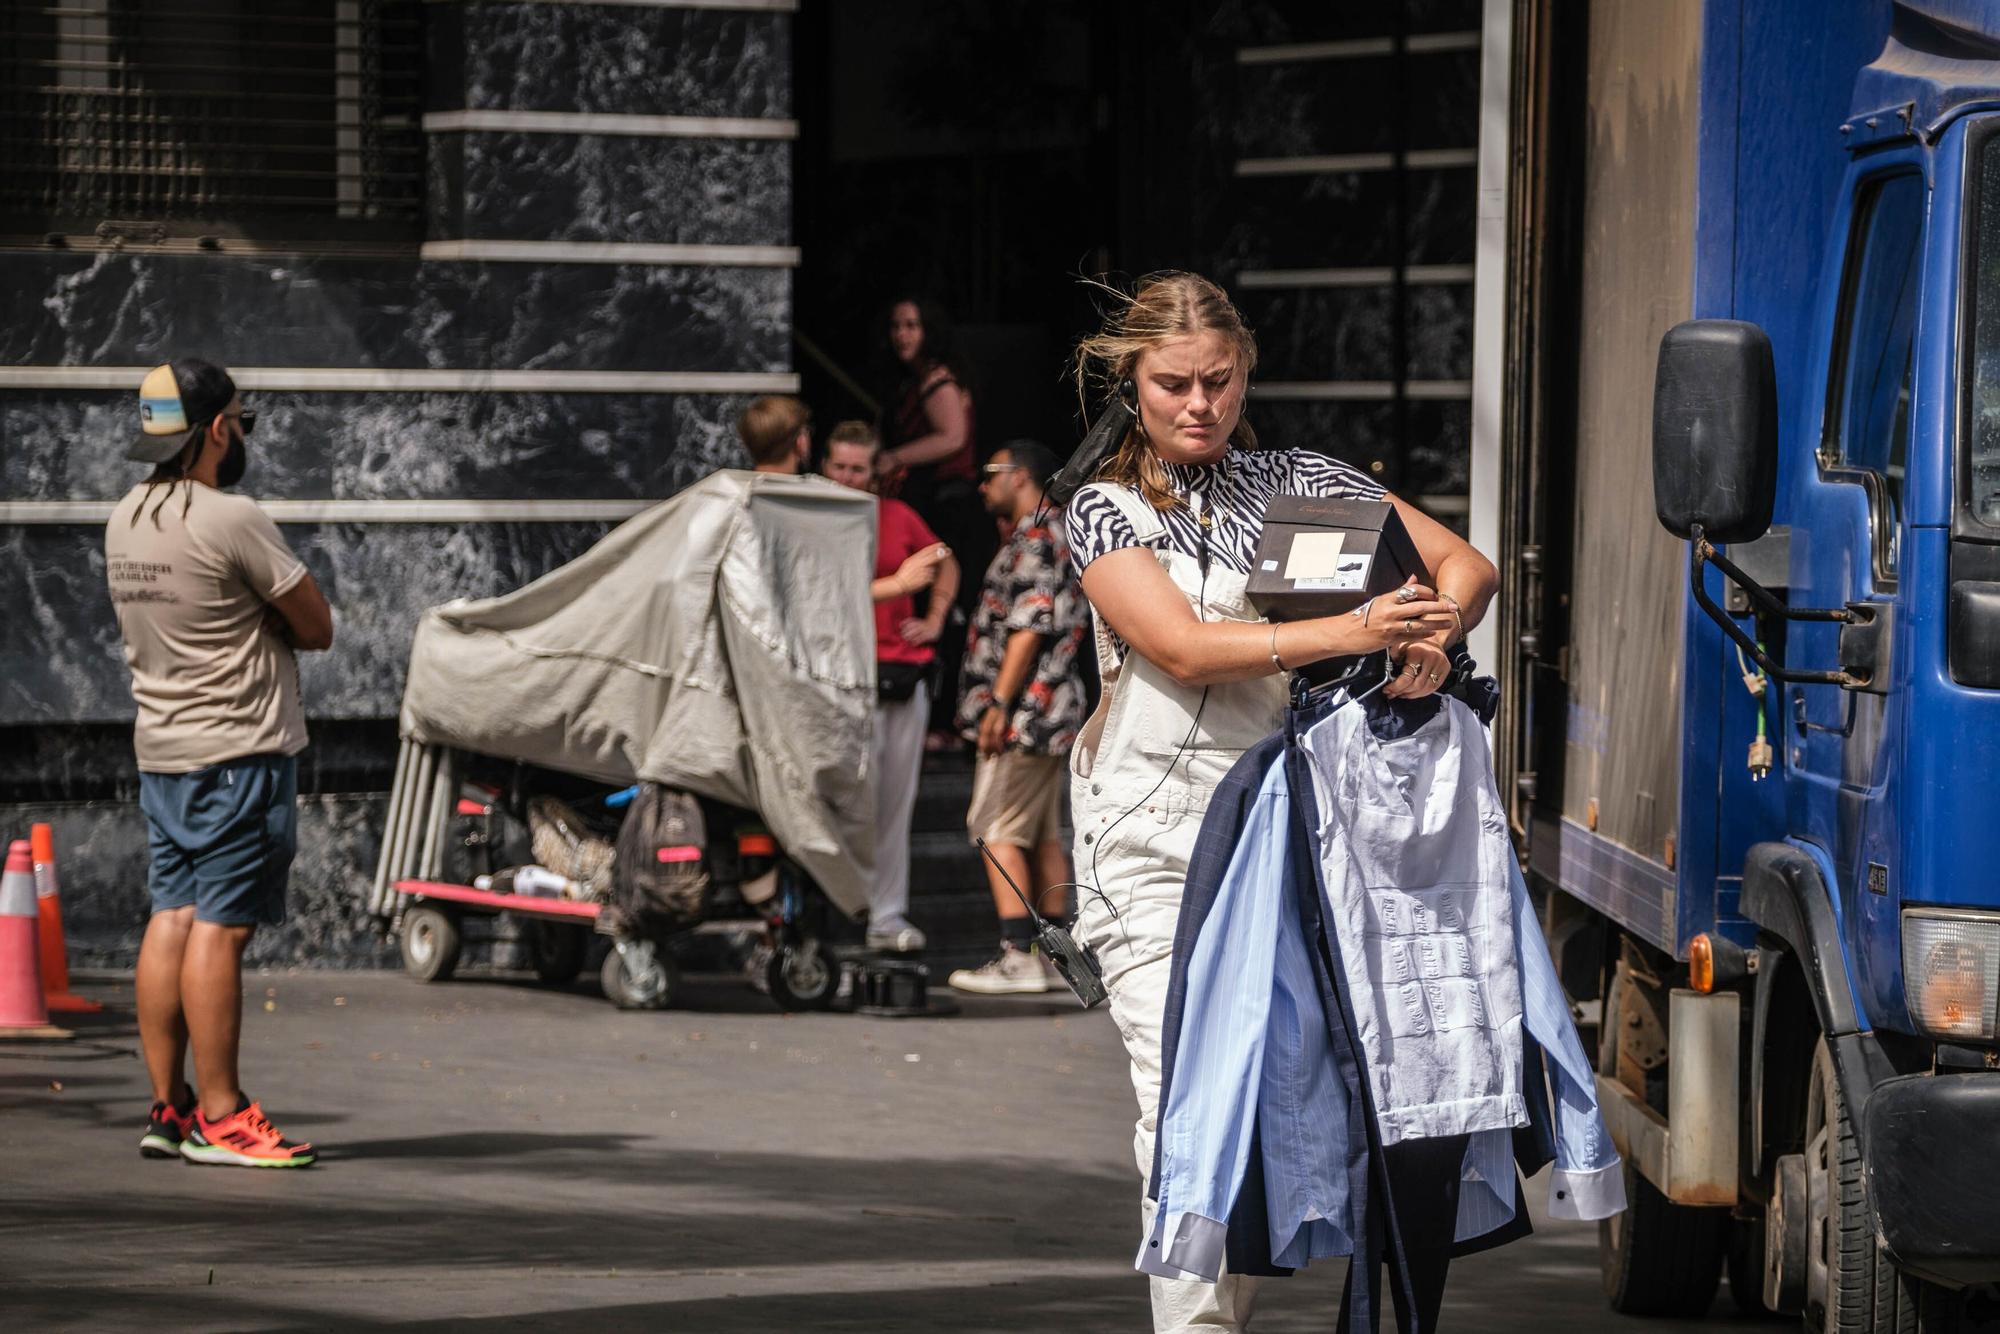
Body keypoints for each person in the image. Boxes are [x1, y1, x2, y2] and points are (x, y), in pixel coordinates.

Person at [1062, 273, 1498, 1332]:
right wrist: (1354, 634)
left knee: (1254, 1094)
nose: (1197, 403)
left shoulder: (1297, 480)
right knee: (1184, 1102)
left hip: (1287, 838)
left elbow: (1463, 564)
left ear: (1244, 372)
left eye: (1217, 380)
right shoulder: (1101, 505)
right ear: (1131, 382)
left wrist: (1433, 638)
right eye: (1171, 384)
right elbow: (1180, 647)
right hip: (1151, 843)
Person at [110, 360, 334, 1169]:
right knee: (221, 927)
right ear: (215, 430)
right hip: (239, 753)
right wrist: (266, 624)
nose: (244, 434)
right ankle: (221, 1113)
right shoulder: (232, 516)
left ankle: (167, 1107)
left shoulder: (125, 517)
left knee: (171, 916)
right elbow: (316, 626)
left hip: (162, 752)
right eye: (243, 420)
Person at [946, 440, 1089, 994]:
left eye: (992, 473)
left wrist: (998, 704)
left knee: (993, 829)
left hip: (1025, 714)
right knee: (1042, 836)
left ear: (1021, 476)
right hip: (1051, 710)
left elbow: (1029, 626)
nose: (983, 485)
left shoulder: (1034, 538)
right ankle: (1063, 959)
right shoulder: (1058, 535)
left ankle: (1017, 956)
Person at [822, 420, 959, 952]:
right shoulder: (812, 517)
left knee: (894, 806)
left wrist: (934, 619)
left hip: (898, 676)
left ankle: (886, 916)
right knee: (839, 805)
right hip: (835, 680)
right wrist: (896, 588)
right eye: (840, 467)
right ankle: (838, 912)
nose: (849, 477)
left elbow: (946, 560)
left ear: (875, 473)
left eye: (859, 468)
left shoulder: (896, 516)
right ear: (824, 466)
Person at [875, 296, 995, 740]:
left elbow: (952, 437)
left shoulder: (937, 381)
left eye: (912, 325)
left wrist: (892, 457)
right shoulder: (917, 381)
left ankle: (947, 720)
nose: (902, 335)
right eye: (896, 325)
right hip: (938, 505)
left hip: (952, 508)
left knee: (949, 608)